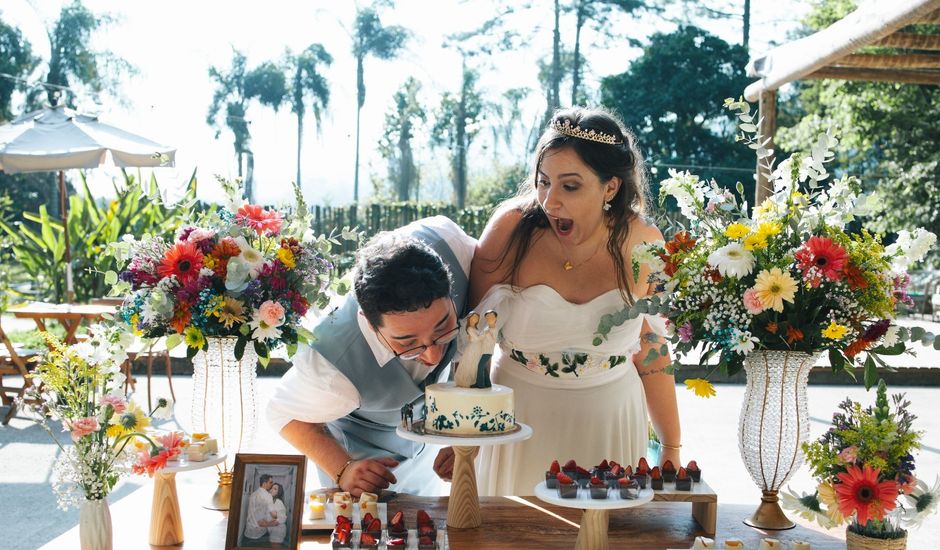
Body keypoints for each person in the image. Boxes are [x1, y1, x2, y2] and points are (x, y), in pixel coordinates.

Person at [471, 107, 681, 496]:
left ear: (610, 188)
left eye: (569, 187)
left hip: (610, 420)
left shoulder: (644, 244)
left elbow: (652, 350)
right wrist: (461, 433)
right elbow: (469, 345)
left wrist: (670, 445)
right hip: (515, 419)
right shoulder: (509, 230)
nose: (550, 202)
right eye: (543, 182)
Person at [267, 216, 475, 497]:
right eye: (408, 343)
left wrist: (466, 433)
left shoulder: (453, 247)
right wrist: (344, 468)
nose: (434, 355)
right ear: (369, 323)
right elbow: (282, 413)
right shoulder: (331, 365)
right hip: (362, 462)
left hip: (426, 452)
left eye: (443, 327)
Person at [243, 474, 279, 541]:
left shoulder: (253, 494)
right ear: (264, 483)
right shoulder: (267, 496)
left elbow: (256, 515)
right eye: (270, 482)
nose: (272, 484)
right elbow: (274, 515)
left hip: (248, 532)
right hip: (259, 534)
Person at [267, 482, 288, 547]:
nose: (272, 490)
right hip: (273, 529)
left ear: (279, 492)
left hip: (278, 531)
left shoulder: (278, 502)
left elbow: (275, 516)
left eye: (275, 489)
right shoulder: (272, 501)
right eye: (272, 488)